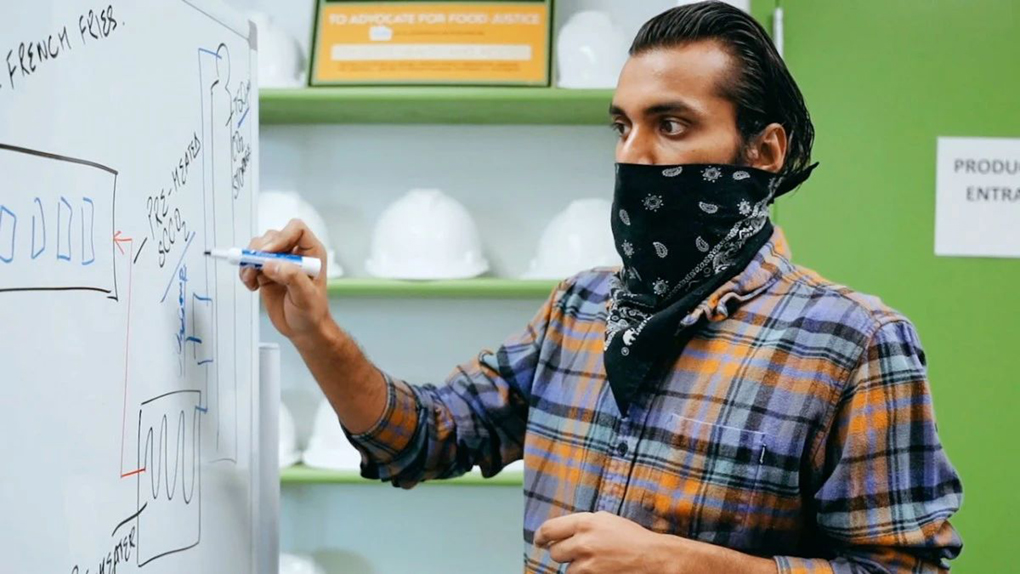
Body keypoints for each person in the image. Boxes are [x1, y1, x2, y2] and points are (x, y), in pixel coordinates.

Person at [243, 2, 963, 572]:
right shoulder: (580, 307)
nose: (633, 155)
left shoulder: (854, 343)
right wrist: (316, 332)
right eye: (622, 126)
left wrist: (689, 566)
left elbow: (903, 567)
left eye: (671, 125)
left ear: (763, 151)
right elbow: (426, 438)